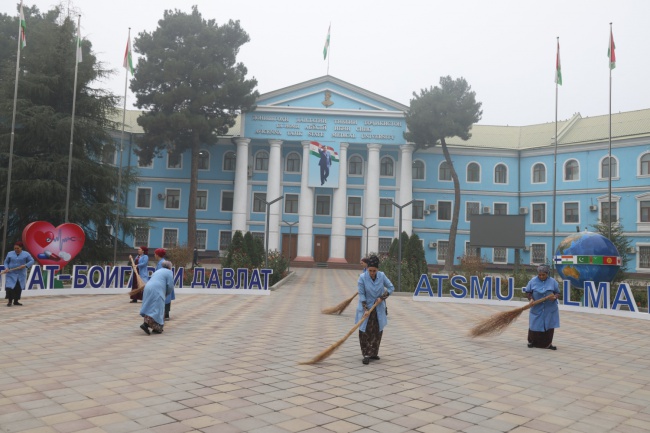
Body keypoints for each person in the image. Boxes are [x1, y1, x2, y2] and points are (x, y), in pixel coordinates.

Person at [355, 255, 394, 364]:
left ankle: (373, 353)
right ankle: (366, 353)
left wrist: (382, 297)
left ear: (378, 269)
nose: (372, 273)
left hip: (378, 308)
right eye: (370, 270)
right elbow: (361, 294)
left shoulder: (382, 276)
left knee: (377, 331)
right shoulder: (362, 278)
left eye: (374, 270)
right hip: (366, 308)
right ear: (367, 269)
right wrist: (365, 309)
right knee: (365, 331)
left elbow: (391, 288)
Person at [523, 264, 561, 350]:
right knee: (535, 324)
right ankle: (532, 342)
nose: (541, 276)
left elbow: (557, 293)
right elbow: (528, 292)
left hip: (550, 308)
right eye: (539, 275)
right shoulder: (532, 281)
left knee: (549, 325)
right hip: (537, 307)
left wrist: (554, 297)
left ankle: (548, 344)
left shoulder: (553, 282)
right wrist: (531, 299)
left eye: (543, 275)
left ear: (547, 274)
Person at [139, 260, 174, 335]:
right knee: (157, 308)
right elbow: (170, 286)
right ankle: (148, 325)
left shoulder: (158, 271)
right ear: (169, 267)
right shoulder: (169, 272)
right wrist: (167, 293)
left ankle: (153, 326)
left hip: (148, 288)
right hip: (157, 290)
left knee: (149, 306)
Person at [1, 241, 35, 307]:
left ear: (21, 248)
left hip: (20, 274)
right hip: (11, 273)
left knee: (18, 288)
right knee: (9, 287)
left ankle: (16, 301)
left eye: (18, 248)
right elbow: (6, 262)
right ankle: (9, 301)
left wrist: (25, 265)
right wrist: (6, 268)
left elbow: (32, 261)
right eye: (15, 248)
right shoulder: (10, 254)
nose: (16, 250)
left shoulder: (26, 254)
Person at [154, 248, 174, 320]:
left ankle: (165, 314)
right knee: (166, 299)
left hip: (163, 285)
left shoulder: (162, 263)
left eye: (155, 254)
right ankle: (165, 314)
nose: (154, 255)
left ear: (158, 255)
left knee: (165, 299)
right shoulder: (161, 262)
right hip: (164, 284)